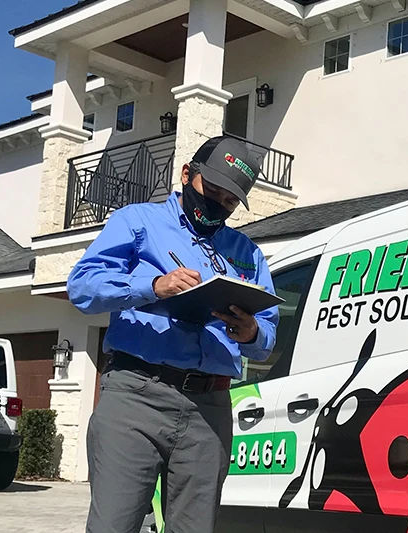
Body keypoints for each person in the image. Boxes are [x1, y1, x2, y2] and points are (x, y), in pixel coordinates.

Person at [66, 136, 279, 533]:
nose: (218, 204)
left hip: (209, 405)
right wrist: (154, 286)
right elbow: (82, 287)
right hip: (135, 395)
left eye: (230, 201)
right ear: (186, 175)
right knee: (114, 525)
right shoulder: (137, 221)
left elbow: (268, 332)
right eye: (211, 191)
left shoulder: (247, 252)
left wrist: (251, 332)